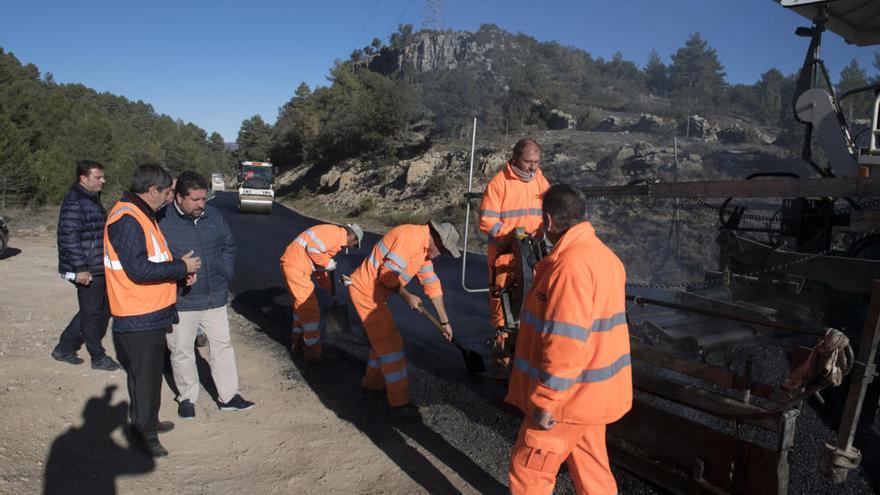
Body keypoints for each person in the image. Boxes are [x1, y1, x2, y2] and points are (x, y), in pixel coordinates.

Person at [505, 184, 632, 495]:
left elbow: (566, 344)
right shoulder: (607, 258)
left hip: (565, 400)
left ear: (548, 221)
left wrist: (547, 402)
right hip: (592, 394)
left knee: (529, 475)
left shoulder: (570, 267)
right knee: (592, 472)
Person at [104, 164, 201, 457]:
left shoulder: (142, 215)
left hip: (149, 310)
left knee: (146, 375)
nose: (171, 198)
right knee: (145, 377)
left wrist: (176, 270)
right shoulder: (127, 219)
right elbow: (139, 269)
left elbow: (152, 258)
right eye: (168, 192)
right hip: (137, 312)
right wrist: (181, 267)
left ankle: (147, 421)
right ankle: (145, 435)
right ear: (152, 190)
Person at [159, 171, 254, 419]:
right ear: (178, 197)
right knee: (181, 351)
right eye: (195, 199)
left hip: (215, 297)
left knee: (222, 346)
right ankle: (187, 397)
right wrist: (178, 273)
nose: (202, 204)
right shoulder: (162, 221)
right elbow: (156, 259)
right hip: (182, 299)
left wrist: (225, 273)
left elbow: (228, 246)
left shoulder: (214, 216)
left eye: (204, 198)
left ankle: (229, 396)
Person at [347, 220, 460, 421]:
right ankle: (400, 404)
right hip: (365, 290)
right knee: (391, 344)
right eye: (443, 249)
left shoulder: (424, 252)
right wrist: (407, 295)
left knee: (381, 342)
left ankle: (371, 385)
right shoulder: (411, 237)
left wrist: (445, 322)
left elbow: (432, 285)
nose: (441, 253)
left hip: (376, 293)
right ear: (436, 237)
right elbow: (387, 275)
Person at [478, 138, 550, 371]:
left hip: (533, 252)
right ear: (516, 158)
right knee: (503, 301)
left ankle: (527, 346)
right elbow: (487, 222)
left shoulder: (540, 181)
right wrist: (513, 235)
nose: (533, 167)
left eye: (537, 162)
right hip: (506, 255)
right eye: (529, 162)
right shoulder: (500, 184)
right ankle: (502, 352)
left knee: (534, 299)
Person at [52, 160, 121, 371]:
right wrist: (80, 267)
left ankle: (64, 347)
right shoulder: (76, 202)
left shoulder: (90, 199)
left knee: (92, 310)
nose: (103, 181)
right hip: (87, 267)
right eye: (98, 177)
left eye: (102, 176)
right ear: (83, 179)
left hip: (97, 265)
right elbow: (69, 237)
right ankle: (97, 357)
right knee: (92, 312)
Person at [280, 222, 363, 364]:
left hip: (296, 266)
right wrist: (326, 263)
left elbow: (319, 269)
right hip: (296, 267)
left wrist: (330, 290)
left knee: (300, 308)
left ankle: (298, 344)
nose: (351, 247)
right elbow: (313, 249)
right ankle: (313, 353)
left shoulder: (334, 239)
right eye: (355, 244)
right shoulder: (336, 235)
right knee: (310, 309)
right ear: (352, 236)